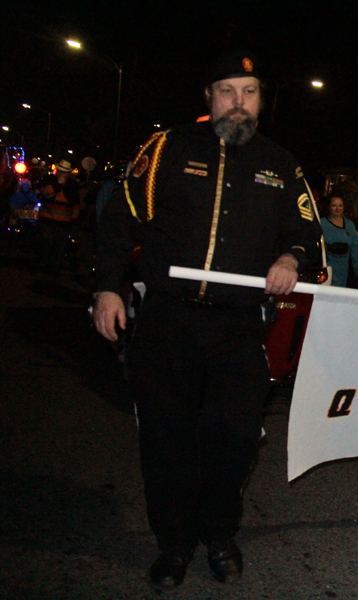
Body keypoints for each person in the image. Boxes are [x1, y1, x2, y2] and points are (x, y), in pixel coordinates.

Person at [92, 51, 322, 591]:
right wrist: (106, 287)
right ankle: (173, 544)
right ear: (208, 97)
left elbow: (307, 235)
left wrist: (289, 259)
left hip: (239, 327)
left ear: (261, 99)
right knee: (166, 440)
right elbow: (118, 221)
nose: (237, 102)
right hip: (166, 322)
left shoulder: (282, 164)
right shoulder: (167, 148)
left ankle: (219, 535)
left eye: (248, 91)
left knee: (235, 437)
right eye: (226, 90)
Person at [35, 159, 80, 275]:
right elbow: (44, 193)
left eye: (64, 172)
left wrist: (74, 221)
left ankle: (53, 269)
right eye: (60, 171)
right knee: (45, 244)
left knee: (59, 247)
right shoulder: (49, 180)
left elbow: (75, 204)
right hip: (47, 220)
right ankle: (42, 266)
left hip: (64, 223)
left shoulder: (72, 185)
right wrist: (57, 185)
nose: (61, 174)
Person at [320, 192, 358, 287]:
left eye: (340, 205)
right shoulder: (321, 223)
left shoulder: (349, 225)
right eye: (334, 205)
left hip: (343, 269)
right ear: (328, 207)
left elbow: (355, 247)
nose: (337, 208)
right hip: (327, 267)